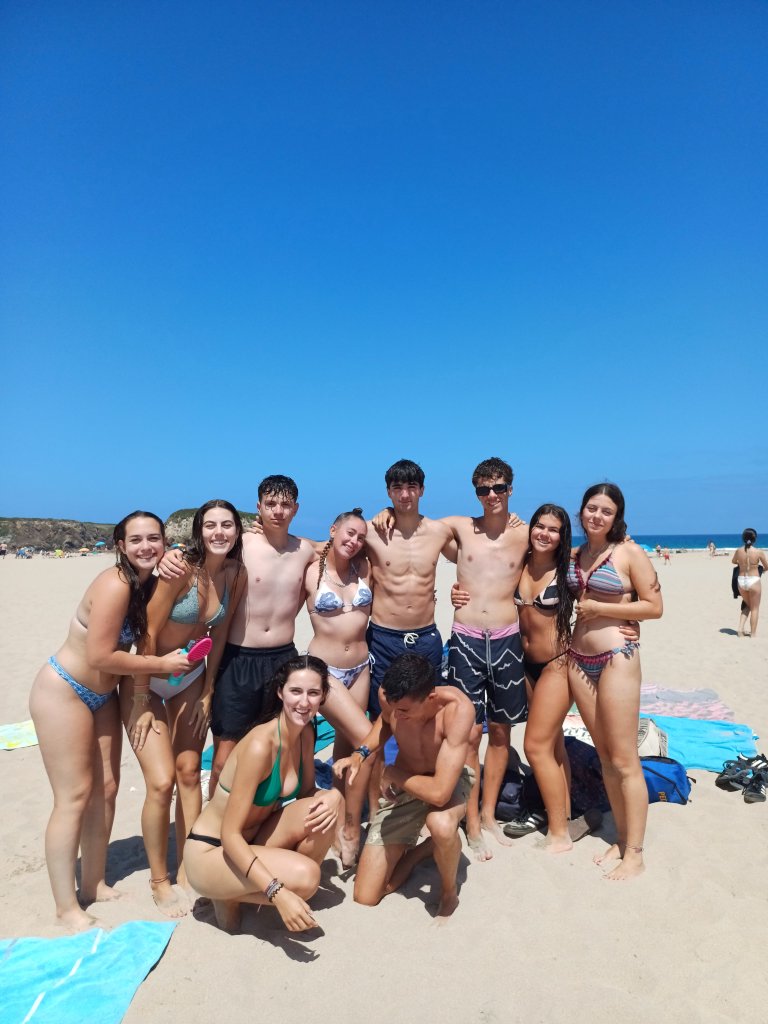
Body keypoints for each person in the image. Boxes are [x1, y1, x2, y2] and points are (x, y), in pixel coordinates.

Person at [29, 511, 191, 931]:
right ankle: (65, 908)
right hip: (64, 690)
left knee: (106, 789)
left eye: (154, 538)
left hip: (102, 696)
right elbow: (100, 656)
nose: (146, 546)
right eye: (136, 540)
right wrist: (161, 665)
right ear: (121, 546)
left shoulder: (146, 583)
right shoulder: (116, 583)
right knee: (74, 796)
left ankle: (94, 883)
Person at [159, 476, 316, 796]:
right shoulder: (240, 545)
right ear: (258, 507)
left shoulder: (305, 550)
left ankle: (262, 816)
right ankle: (216, 821)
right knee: (223, 760)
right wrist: (169, 554)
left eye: (285, 505)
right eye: (270, 504)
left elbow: (342, 540)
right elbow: (200, 553)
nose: (278, 511)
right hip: (237, 658)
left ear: (296, 509)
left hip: (283, 658)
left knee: (279, 751)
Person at [122, 500, 246, 897]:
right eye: (210, 525)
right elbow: (147, 632)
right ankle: (159, 879)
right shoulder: (181, 570)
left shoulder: (235, 573)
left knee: (190, 772)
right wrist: (141, 698)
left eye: (227, 525)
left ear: (238, 531)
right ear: (199, 531)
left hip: (190, 678)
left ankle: (190, 868)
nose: (219, 532)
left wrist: (208, 689)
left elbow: (219, 636)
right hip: (148, 678)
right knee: (161, 783)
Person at [182, 655, 343, 933]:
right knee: (307, 878)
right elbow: (230, 835)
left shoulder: (305, 733)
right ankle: (228, 894)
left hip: (253, 839)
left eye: (313, 693)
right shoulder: (260, 746)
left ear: (323, 696)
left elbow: (306, 794)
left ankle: (261, 886)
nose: (304, 702)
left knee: (324, 812)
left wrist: (334, 796)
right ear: (280, 692)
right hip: (213, 850)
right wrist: (276, 892)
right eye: (296, 691)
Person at [567, 483, 663, 881]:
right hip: (578, 660)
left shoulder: (629, 552)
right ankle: (622, 839)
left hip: (616, 659)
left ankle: (635, 853)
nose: (597, 516)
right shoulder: (575, 554)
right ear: (581, 511)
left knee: (624, 759)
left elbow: (655, 606)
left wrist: (600, 608)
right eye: (592, 508)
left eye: (606, 511)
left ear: (616, 516)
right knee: (605, 756)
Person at [335, 653, 475, 921]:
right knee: (366, 896)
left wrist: (391, 773)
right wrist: (361, 753)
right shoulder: (391, 697)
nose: (396, 714)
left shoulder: (457, 710)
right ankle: (420, 852)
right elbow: (385, 721)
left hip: (446, 781)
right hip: (407, 781)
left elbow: (439, 793)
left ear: (430, 698)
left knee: (441, 824)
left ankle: (449, 893)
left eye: (405, 711)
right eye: (393, 707)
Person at [304, 507, 375, 866]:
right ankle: (351, 828)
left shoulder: (365, 567)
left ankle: (341, 818)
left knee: (346, 750)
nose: (354, 541)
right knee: (367, 741)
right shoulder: (309, 569)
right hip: (325, 671)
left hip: (361, 668)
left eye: (361, 536)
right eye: (349, 533)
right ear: (333, 530)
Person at [732, 529, 767, 637]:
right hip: (754, 580)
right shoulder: (758, 552)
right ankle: (753, 634)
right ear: (755, 538)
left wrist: (742, 563)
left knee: (747, 605)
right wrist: (762, 569)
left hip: (741, 580)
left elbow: (733, 561)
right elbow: (767, 566)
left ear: (743, 538)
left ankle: (740, 629)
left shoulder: (738, 551)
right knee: (755, 608)